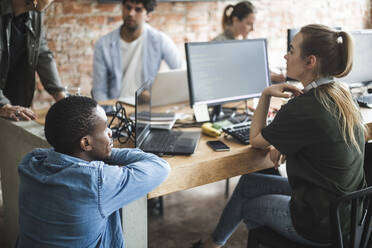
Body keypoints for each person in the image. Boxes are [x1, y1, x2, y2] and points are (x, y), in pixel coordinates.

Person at [193, 24, 368, 247]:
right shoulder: (342, 94)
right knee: (250, 183)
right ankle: (212, 244)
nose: (285, 55)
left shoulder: (304, 106)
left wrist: (265, 94)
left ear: (310, 61)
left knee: (250, 207)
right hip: (348, 215)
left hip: (321, 227)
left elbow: (256, 140)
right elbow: (322, 138)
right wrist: (286, 144)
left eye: (292, 50)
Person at [17, 96, 170, 247]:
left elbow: (56, 151)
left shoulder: (31, 162)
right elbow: (160, 166)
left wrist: (98, 149)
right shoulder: (97, 182)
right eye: (105, 129)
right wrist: (107, 152)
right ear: (85, 142)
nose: (111, 133)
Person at [92, 0, 182, 102]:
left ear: (148, 16)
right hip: (116, 108)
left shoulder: (160, 40)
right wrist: (109, 114)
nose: (131, 13)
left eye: (138, 9)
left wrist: (162, 95)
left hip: (147, 109)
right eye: (128, 7)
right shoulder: (103, 44)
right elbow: (99, 91)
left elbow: (181, 72)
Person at [0, 0, 65, 121]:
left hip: (16, 102)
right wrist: (2, 105)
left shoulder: (35, 12)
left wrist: (61, 96)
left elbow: (42, 52)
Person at [212, 1, 285, 83]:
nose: (253, 29)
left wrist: (272, 74)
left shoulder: (244, 40)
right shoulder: (218, 44)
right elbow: (229, 75)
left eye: (253, 24)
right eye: (249, 24)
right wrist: (266, 77)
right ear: (235, 20)